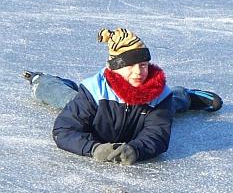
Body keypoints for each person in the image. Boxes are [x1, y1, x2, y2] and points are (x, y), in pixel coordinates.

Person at [23, 28, 223, 165]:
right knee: (64, 97)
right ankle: (41, 80)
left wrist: (136, 149)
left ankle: (186, 96)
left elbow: (157, 135)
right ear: (115, 69)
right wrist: (93, 149)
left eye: (143, 65)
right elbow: (64, 130)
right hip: (99, 116)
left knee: (169, 103)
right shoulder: (94, 92)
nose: (139, 72)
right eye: (130, 66)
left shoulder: (159, 95)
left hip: (148, 110)